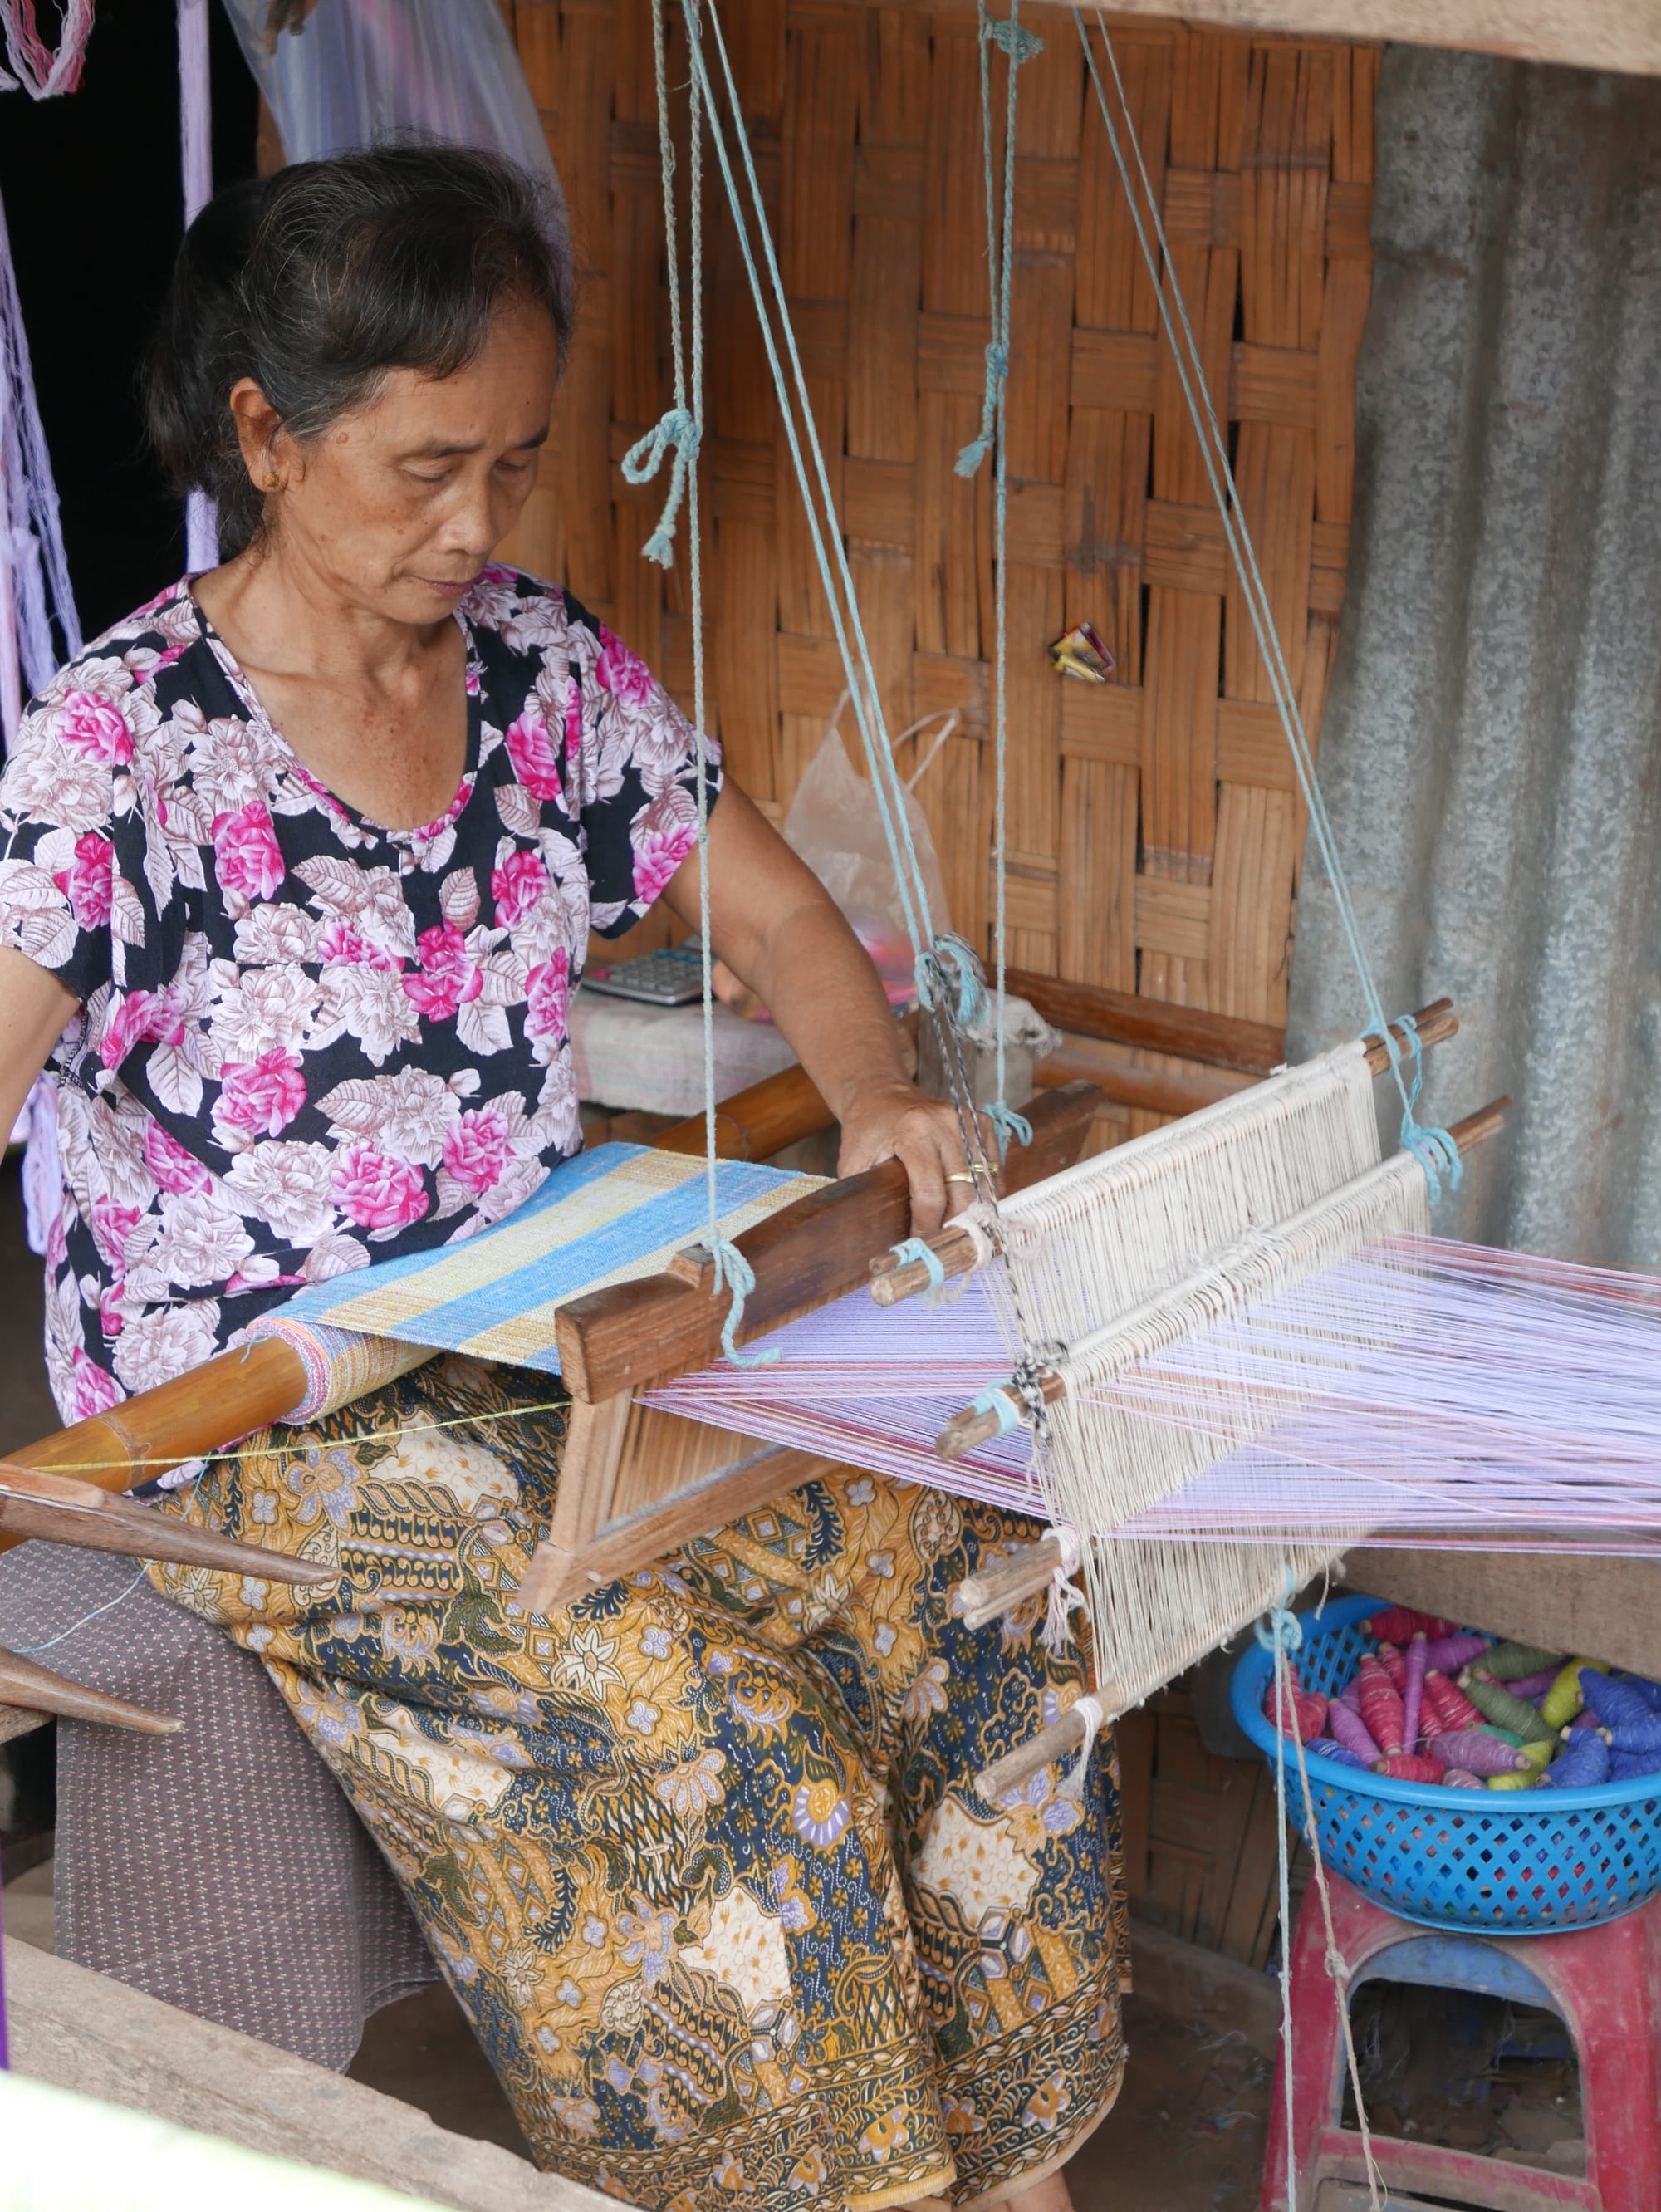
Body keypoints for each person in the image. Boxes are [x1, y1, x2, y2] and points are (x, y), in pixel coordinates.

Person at [0, 149, 1124, 2212]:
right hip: (272, 1415)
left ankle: (1013, 2174)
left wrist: (872, 1100)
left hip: (543, 1326)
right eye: (427, 468)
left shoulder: (534, 667)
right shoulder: (120, 746)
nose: (478, 527)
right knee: (712, 1763)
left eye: (513, 465)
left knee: (968, 1591)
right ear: (263, 433)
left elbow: (787, 931)